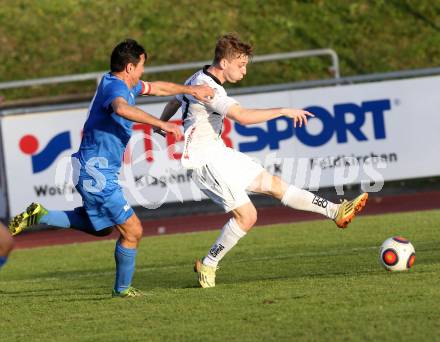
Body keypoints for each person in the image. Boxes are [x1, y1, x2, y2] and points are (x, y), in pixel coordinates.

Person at [158, 33, 368, 288]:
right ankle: (209, 265)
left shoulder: (198, 77)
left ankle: (335, 211)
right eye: (241, 65)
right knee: (247, 216)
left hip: (220, 153)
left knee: (274, 184)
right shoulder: (210, 91)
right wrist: (282, 111)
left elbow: (175, 99)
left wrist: (163, 122)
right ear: (224, 63)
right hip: (205, 161)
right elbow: (243, 117)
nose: (245, 71)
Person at [8, 39, 214, 297]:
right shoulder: (116, 89)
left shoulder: (122, 83)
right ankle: (122, 291)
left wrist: (191, 90)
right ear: (129, 67)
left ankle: (40, 214)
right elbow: (121, 108)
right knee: (133, 230)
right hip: (96, 172)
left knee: (101, 228)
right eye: (141, 66)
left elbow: (158, 88)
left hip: (92, 169)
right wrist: (159, 124)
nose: (142, 73)